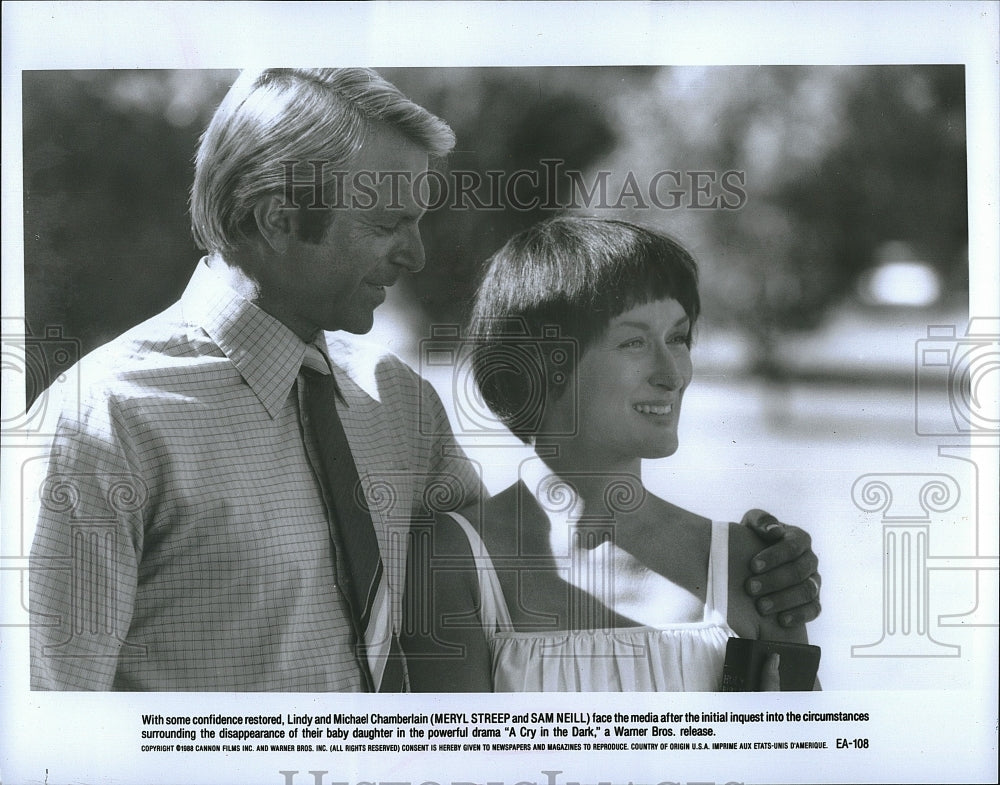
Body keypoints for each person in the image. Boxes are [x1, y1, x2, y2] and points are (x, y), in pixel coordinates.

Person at [28, 69, 819, 691]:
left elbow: (514, 579)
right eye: (386, 223)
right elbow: (45, 724)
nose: (415, 256)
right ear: (274, 216)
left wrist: (741, 574)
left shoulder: (396, 403)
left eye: (419, 220)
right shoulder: (102, 422)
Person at [403, 216, 820, 691]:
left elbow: (805, 761)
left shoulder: (754, 569)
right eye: (634, 342)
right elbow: (447, 764)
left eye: (679, 338)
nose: (673, 373)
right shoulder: (454, 562)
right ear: (544, 363)